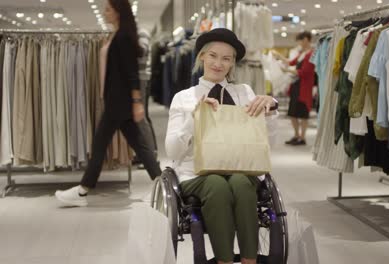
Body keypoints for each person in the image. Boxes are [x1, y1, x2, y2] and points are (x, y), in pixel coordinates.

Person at [165, 28, 278, 264]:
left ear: (232, 63)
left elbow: (266, 144)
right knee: (216, 184)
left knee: (238, 181)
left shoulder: (244, 92)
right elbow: (172, 152)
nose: (218, 63)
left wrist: (271, 108)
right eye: (213, 56)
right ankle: (224, 260)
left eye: (226, 58)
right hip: (194, 172)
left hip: (241, 167)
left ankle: (249, 259)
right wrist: (193, 118)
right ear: (202, 57)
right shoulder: (184, 97)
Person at [55, 0, 162, 207]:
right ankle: (161, 183)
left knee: (100, 144)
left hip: (119, 101)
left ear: (118, 11)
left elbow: (131, 71)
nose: (105, 13)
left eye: (108, 9)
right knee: (139, 145)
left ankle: (83, 190)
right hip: (116, 100)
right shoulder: (118, 34)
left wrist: (136, 100)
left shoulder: (123, 37)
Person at [273, 31, 316, 146]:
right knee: (293, 113)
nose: (299, 43)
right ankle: (297, 135)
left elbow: (305, 72)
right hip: (296, 86)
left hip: (304, 88)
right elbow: (290, 62)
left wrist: (287, 70)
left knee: (302, 114)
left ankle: (302, 137)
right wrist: (279, 56)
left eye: (300, 41)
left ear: (306, 39)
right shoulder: (303, 53)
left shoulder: (311, 54)